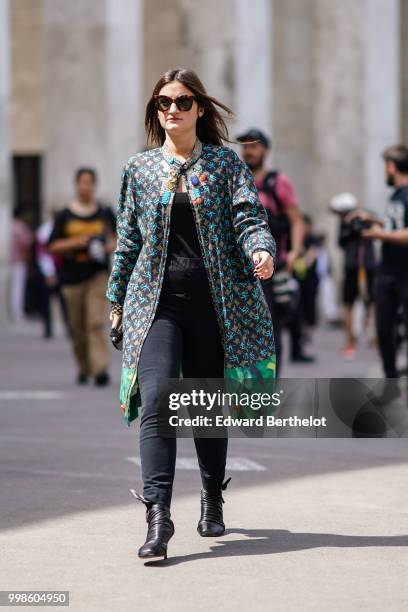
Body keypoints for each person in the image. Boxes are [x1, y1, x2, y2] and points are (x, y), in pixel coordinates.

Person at [106, 67, 276, 561]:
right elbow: (129, 242)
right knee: (158, 398)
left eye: (182, 102)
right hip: (154, 304)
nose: (173, 111)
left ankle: (212, 493)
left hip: (214, 304)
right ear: (154, 111)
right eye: (163, 103)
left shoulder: (225, 164)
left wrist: (260, 250)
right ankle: (158, 516)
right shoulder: (138, 170)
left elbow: (249, 216)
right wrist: (116, 302)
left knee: (204, 403)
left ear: (200, 108)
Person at [236, 128, 314, 374]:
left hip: (271, 270)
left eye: (254, 146)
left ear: (265, 151)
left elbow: (296, 219)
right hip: (239, 270)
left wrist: (296, 251)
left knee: (270, 327)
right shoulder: (235, 180)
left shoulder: (277, 182)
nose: (249, 152)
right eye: (245, 147)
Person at [47, 168, 117, 385]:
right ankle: (84, 367)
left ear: (94, 185)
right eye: (82, 183)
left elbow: (117, 238)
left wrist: (106, 248)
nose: (85, 187)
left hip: (97, 274)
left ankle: (100, 369)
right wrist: (77, 242)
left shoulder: (104, 212)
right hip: (71, 277)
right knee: (77, 328)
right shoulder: (64, 215)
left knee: (94, 322)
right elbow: (52, 245)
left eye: (89, 183)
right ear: (76, 185)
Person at [359, 145, 408, 387]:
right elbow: (396, 224)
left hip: (404, 275)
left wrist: (378, 236)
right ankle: (390, 385)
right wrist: (374, 220)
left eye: (385, 166)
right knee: (384, 332)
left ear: (391, 166)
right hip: (386, 273)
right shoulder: (396, 195)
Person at [331, 193, 377, 360]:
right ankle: (351, 342)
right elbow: (342, 242)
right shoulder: (346, 224)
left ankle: (375, 338)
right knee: (350, 305)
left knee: (372, 303)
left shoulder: (365, 218)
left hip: (366, 266)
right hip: (354, 267)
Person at [35, 211, 70, 339]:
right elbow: (43, 254)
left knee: (65, 301)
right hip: (49, 270)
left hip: (62, 269)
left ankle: (69, 328)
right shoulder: (44, 231)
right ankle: (48, 329)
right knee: (46, 301)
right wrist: (49, 273)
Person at [8, 207, 33, 322]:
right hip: (19, 261)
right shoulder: (20, 227)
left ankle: (14, 312)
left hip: (10, 260)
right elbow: (26, 243)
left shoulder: (9, 226)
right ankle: (18, 313)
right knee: (18, 288)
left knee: (14, 288)